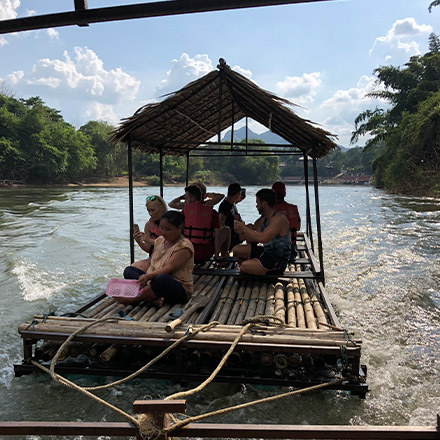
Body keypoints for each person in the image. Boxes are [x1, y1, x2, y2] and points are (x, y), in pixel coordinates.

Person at [120, 211, 194, 306]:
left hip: (176, 287)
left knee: (162, 279)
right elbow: (151, 252)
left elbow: (168, 269)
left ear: (179, 228)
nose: (163, 232)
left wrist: (148, 277)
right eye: (161, 228)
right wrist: (139, 241)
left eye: (167, 229)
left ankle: (136, 299)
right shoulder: (160, 240)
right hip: (154, 280)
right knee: (129, 271)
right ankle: (152, 298)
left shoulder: (184, 246)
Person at [233, 188, 291, 276]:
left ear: (264, 204)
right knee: (237, 250)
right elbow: (252, 238)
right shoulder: (263, 220)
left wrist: (244, 229)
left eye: (257, 203)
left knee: (244, 266)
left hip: (277, 260)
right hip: (266, 253)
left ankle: (259, 271)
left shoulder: (279, 219)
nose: (256, 206)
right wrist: (241, 230)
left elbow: (263, 238)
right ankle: (254, 270)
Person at [182, 184, 230, 264]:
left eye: (186, 198)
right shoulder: (213, 213)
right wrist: (217, 255)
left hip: (187, 254)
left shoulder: (183, 213)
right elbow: (217, 235)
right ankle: (222, 259)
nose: (185, 201)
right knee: (226, 229)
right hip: (205, 254)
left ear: (192, 199)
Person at [271, 181, 301, 261]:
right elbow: (298, 228)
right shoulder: (294, 208)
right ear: (284, 193)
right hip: (292, 251)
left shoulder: (269, 210)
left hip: (274, 251)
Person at [134, 195, 168, 260]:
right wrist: (139, 241)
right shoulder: (148, 225)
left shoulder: (172, 223)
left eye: (153, 210)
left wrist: (150, 240)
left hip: (169, 259)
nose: (150, 214)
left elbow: (172, 245)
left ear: (162, 208)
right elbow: (149, 249)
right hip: (154, 259)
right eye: (148, 211)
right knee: (130, 269)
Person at [219, 183, 243, 249]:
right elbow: (221, 222)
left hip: (236, 232)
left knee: (250, 228)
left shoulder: (232, 204)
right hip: (231, 236)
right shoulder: (224, 206)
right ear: (237, 194)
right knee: (247, 235)